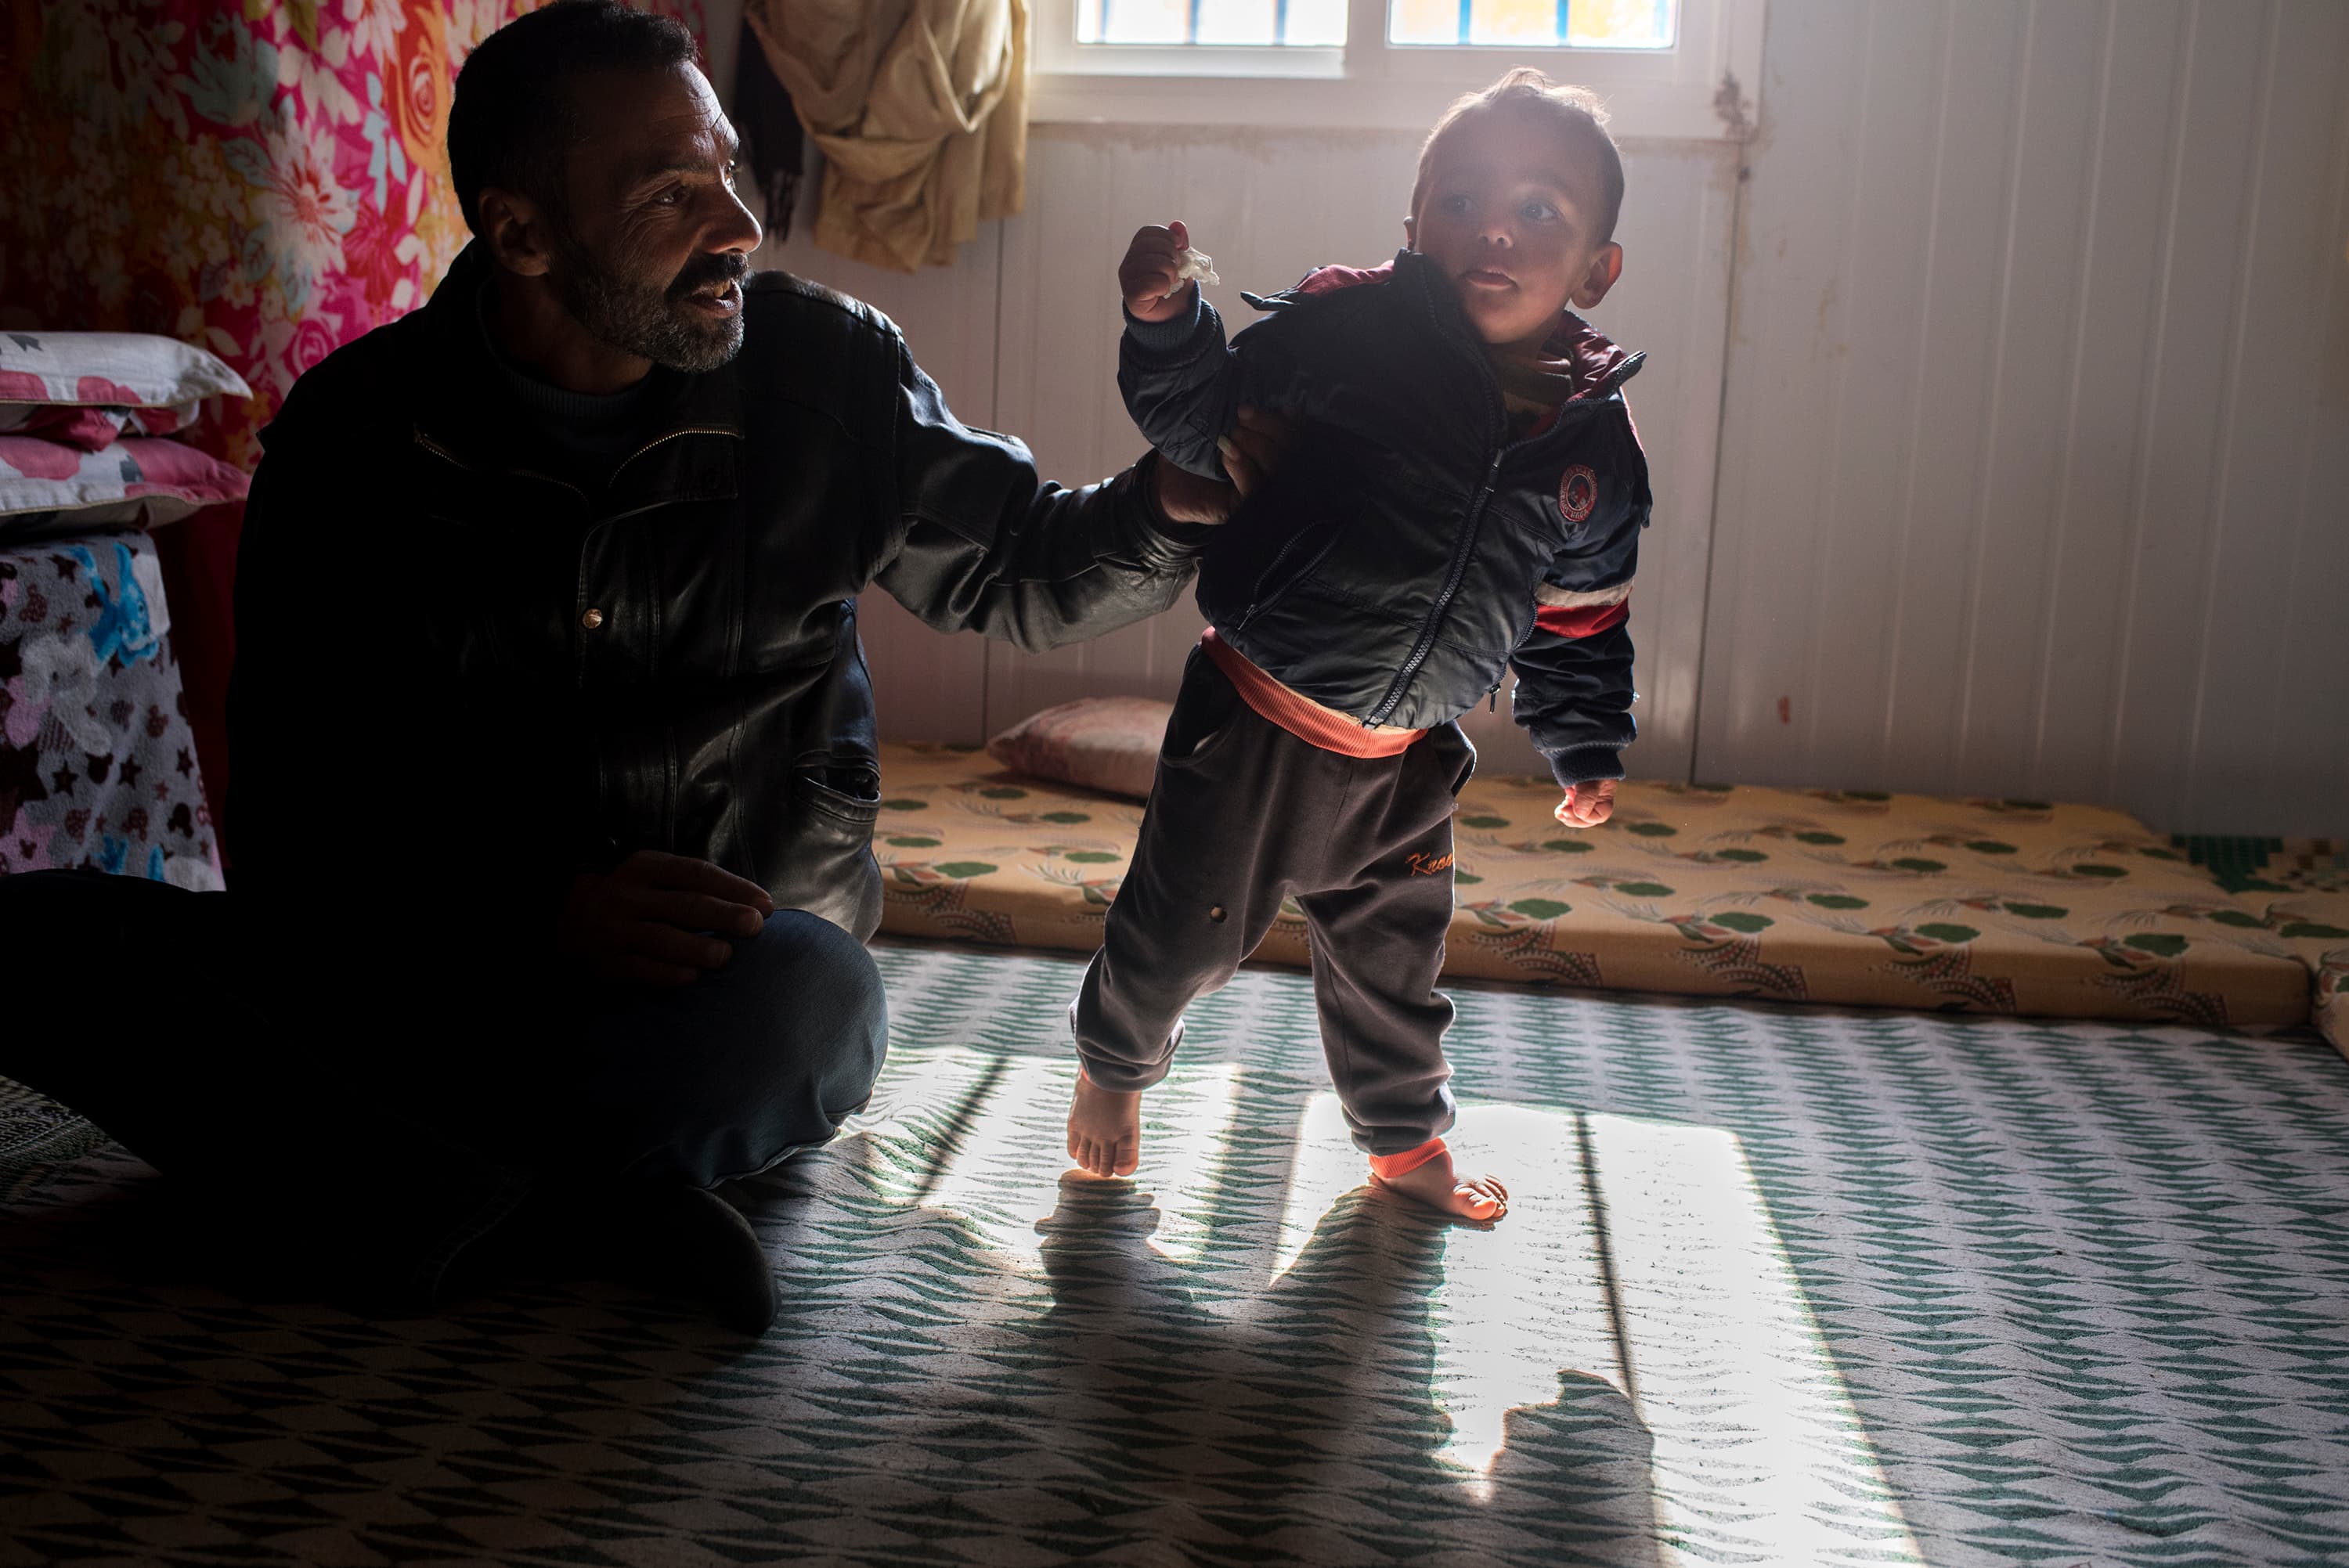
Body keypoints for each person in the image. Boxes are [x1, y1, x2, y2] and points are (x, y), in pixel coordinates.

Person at [0, 0, 1281, 1333]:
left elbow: (1018, 565)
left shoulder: (825, 373)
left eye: (728, 169)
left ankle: (391, 1178)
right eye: (674, 192)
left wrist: (1168, 505)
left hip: (718, 986)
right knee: (39, 942)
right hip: (443, 972)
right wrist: (532, 906)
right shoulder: (357, 440)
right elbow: (297, 815)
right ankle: (580, 1200)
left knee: (823, 1006)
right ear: (523, 234)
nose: (737, 222)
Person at [1066, 70, 1651, 1223]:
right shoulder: (1350, 331)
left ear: (1596, 268)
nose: (1494, 226)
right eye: (1464, 198)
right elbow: (1206, 418)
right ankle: (1115, 1068)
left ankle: (1402, 1144)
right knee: (1180, 932)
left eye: (1540, 211)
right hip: (1257, 721)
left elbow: (1582, 609)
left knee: (1397, 969)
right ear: (1413, 219)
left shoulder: (1592, 434)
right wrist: (1166, 326)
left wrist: (1583, 743)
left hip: (1410, 762)